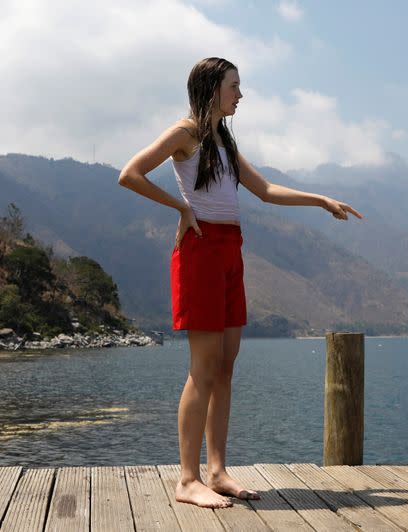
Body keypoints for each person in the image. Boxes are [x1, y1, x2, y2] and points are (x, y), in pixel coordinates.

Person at [119, 57, 362, 508]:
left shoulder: (223, 140)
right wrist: (181, 208)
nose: (240, 94)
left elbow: (265, 190)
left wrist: (321, 200)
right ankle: (187, 480)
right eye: (234, 86)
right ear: (212, 88)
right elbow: (129, 174)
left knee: (226, 365)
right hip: (200, 250)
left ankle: (216, 470)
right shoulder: (185, 132)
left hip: (231, 250)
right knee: (203, 367)